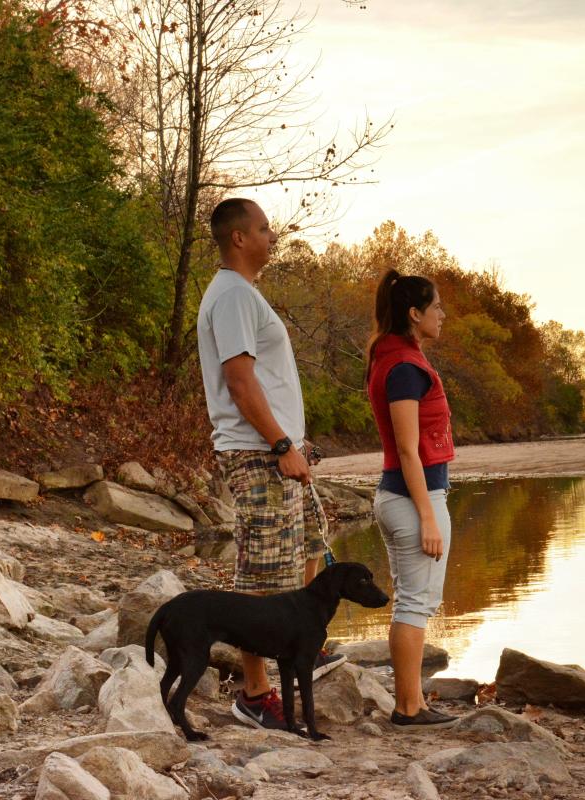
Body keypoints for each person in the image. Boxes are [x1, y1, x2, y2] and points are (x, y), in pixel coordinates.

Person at [197, 197, 343, 732]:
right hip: (260, 454)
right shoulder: (233, 296)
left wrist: (293, 446)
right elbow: (240, 383)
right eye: (263, 228)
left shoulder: (244, 294)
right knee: (262, 576)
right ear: (239, 238)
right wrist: (282, 446)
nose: (271, 235)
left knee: (303, 553)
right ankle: (255, 695)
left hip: (276, 452)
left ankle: (308, 646)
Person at [365, 269, 459, 729]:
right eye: (436, 306)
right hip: (410, 499)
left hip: (408, 497)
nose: (443, 314)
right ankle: (407, 708)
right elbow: (406, 448)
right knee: (414, 605)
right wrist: (427, 517)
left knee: (414, 600)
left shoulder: (401, 357)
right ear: (414, 313)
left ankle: (414, 702)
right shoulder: (403, 368)